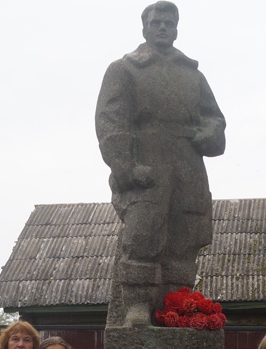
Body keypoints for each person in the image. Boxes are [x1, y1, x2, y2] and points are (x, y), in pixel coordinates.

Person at [96, 1, 227, 327]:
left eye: (169, 21)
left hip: (188, 171)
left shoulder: (193, 75)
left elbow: (216, 120)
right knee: (141, 240)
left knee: (183, 244)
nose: (163, 27)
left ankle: (175, 309)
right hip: (147, 174)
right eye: (157, 22)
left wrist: (207, 134)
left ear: (176, 27)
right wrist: (126, 169)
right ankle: (138, 307)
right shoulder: (124, 69)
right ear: (145, 27)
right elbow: (111, 123)